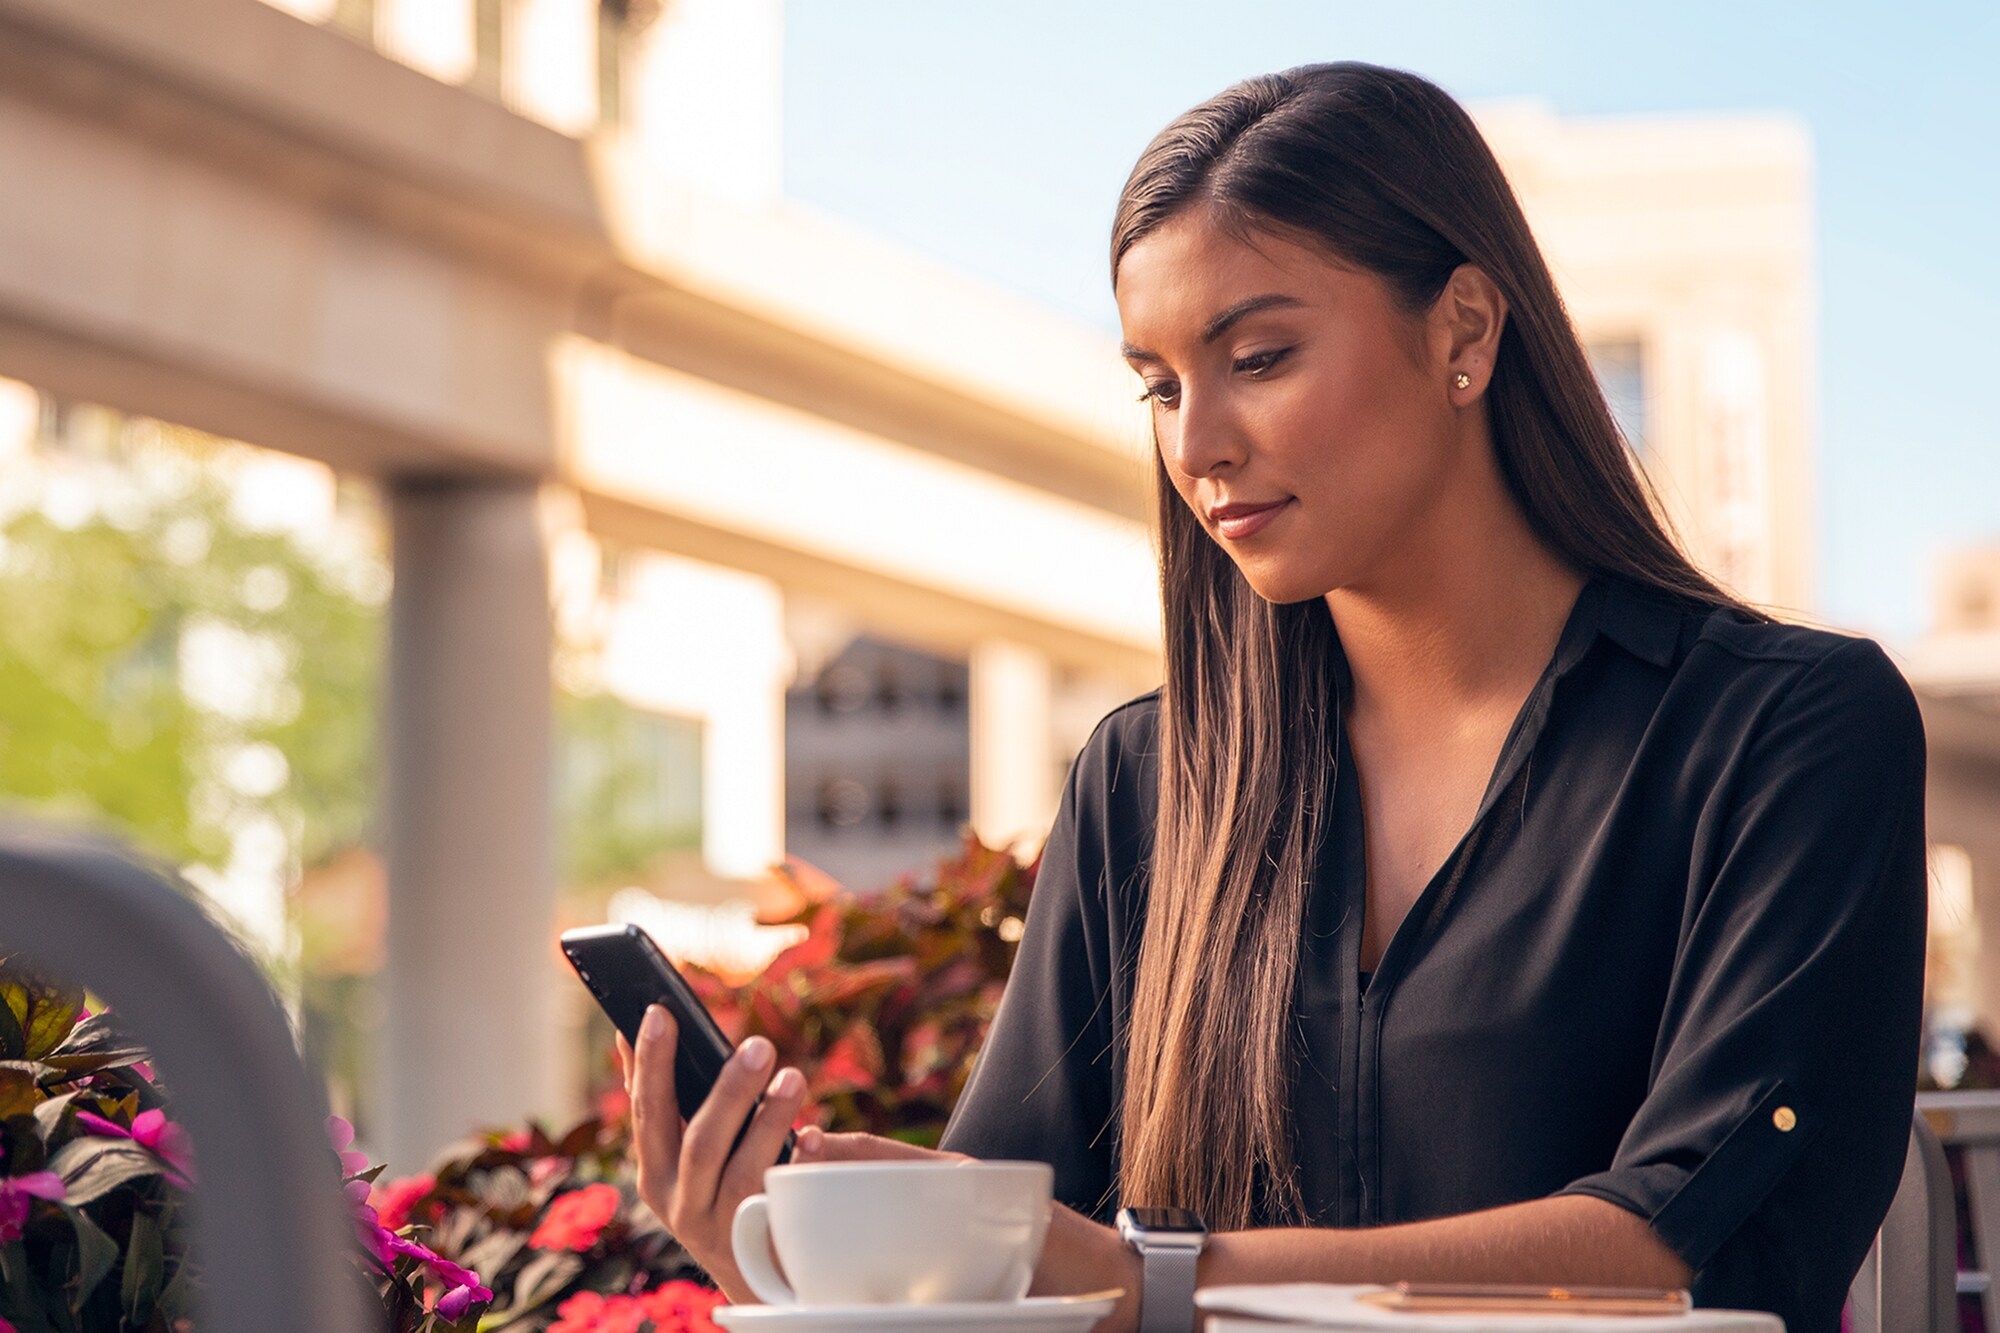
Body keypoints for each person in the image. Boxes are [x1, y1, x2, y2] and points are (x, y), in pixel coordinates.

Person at [616, 62, 1927, 1333]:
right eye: (1161, 384)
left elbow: (1681, 1246)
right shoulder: (1146, 783)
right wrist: (791, 1249)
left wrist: (1159, 1277)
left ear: (1463, 330)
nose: (1197, 446)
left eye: (1260, 355)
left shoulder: (1791, 735)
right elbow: (1021, 1269)